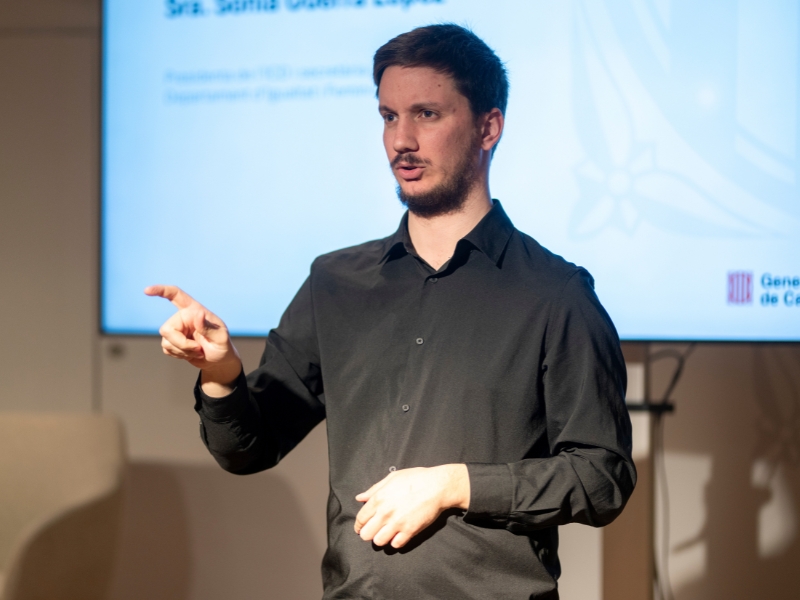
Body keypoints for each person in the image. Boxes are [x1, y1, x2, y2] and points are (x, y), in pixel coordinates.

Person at [146, 24, 635, 599]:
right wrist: (221, 372)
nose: (401, 139)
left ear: (488, 127)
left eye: (426, 114)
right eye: (388, 116)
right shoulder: (335, 283)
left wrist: (456, 485)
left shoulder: (555, 293)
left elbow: (602, 476)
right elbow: (248, 449)